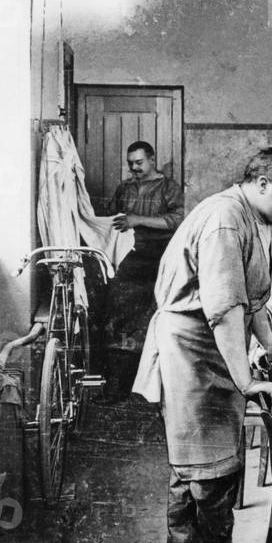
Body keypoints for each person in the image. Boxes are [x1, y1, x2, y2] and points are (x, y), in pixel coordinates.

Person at [133, 146, 272, 543]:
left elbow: (254, 301)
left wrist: (271, 348)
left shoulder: (263, 220)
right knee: (205, 475)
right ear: (263, 183)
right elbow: (225, 311)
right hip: (193, 352)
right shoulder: (225, 219)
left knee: (205, 471)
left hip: (216, 349)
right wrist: (246, 379)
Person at [101, 141, 184, 397]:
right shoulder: (124, 188)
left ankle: (150, 389)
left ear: (152, 159)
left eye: (139, 162)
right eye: (131, 164)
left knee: (153, 321)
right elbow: (112, 216)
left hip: (159, 262)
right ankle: (118, 386)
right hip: (129, 262)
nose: (134, 168)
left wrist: (138, 220)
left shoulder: (169, 188)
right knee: (118, 318)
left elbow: (178, 220)